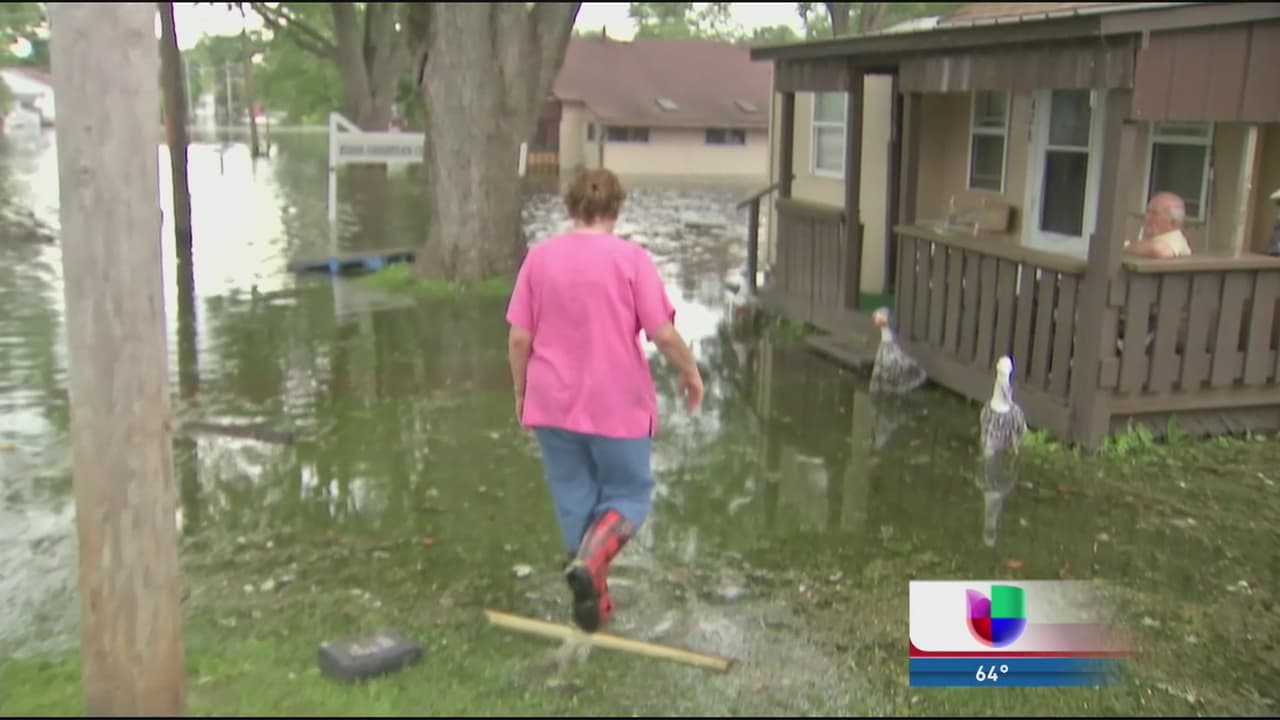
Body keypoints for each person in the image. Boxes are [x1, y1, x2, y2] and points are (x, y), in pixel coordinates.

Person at [505, 168, 705, 634]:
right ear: (616, 209)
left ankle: (594, 600)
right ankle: (592, 574)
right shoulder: (631, 260)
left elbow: (519, 340)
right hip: (617, 404)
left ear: (570, 207)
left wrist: (521, 392)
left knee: (576, 502)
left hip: (552, 402)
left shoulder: (538, 259)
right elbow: (662, 333)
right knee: (629, 497)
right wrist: (690, 371)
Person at [1123, 191, 1193, 259]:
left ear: (1173, 221)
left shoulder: (1176, 238)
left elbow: (1159, 251)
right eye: (1147, 212)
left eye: (1154, 213)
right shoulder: (1153, 237)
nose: (1147, 217)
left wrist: (1126, 247)